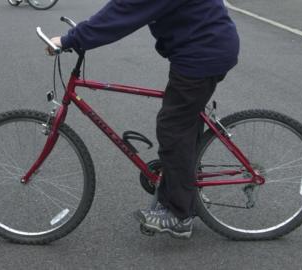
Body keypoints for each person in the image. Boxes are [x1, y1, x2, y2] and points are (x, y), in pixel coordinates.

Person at [48, 0, 239, 239]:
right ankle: (186, 192)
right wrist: (80, 35)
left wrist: (70, 39)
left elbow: (125, 11)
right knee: (185, 121)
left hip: (202, 53)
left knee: (173, 126)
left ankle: (179, 215)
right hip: (206, 47)